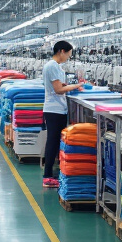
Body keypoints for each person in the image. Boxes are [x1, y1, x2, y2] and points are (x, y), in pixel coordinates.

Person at [41, 40, 88, 189]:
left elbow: (60, 86)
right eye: (68, 54)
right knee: (53, 142)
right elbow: (58, 90)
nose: (68, 57)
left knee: (54, 142)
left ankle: (50, 174)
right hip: (54, 109)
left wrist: (71, 87)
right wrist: (77, 86)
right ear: (62, 51)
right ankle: (47, 176)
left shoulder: (55, 67)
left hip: (57, 109)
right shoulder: (52, 66)